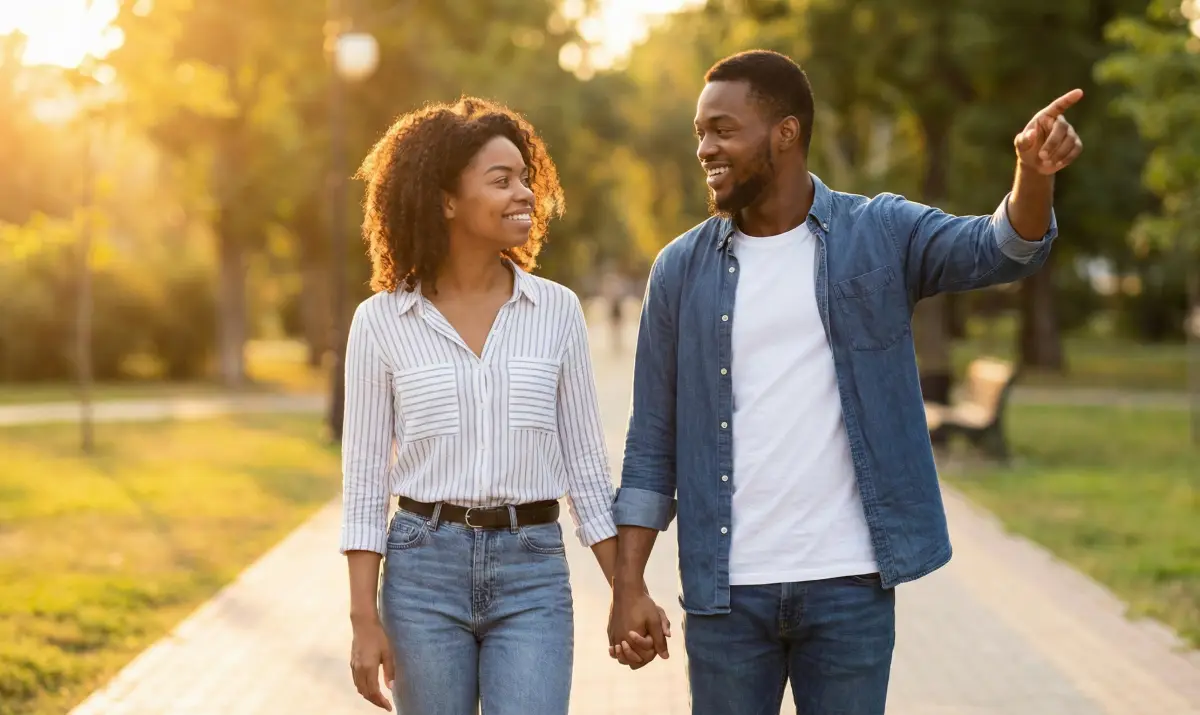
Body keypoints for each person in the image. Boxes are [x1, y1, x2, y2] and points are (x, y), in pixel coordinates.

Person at [606, 50, 1082, 715]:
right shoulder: (680, 271)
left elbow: (1000, 246)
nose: (705, 148)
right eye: (699, 133)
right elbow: (650, 438)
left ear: (785, 132)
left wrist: (1033, 174)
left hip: (848, 585)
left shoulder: (878, 232)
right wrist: (628, 585)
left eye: (722, 129)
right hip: (727, 593)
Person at [339, 96, 665, 715]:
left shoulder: (558, 311)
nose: (526, 194)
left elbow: (588, 476)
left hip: (532, 570)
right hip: (421, 572)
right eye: (502, 180)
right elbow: (363, 486)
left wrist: (629, 590)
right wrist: (363, 620)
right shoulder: (381, 322)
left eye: (526, 179)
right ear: (446, 200)